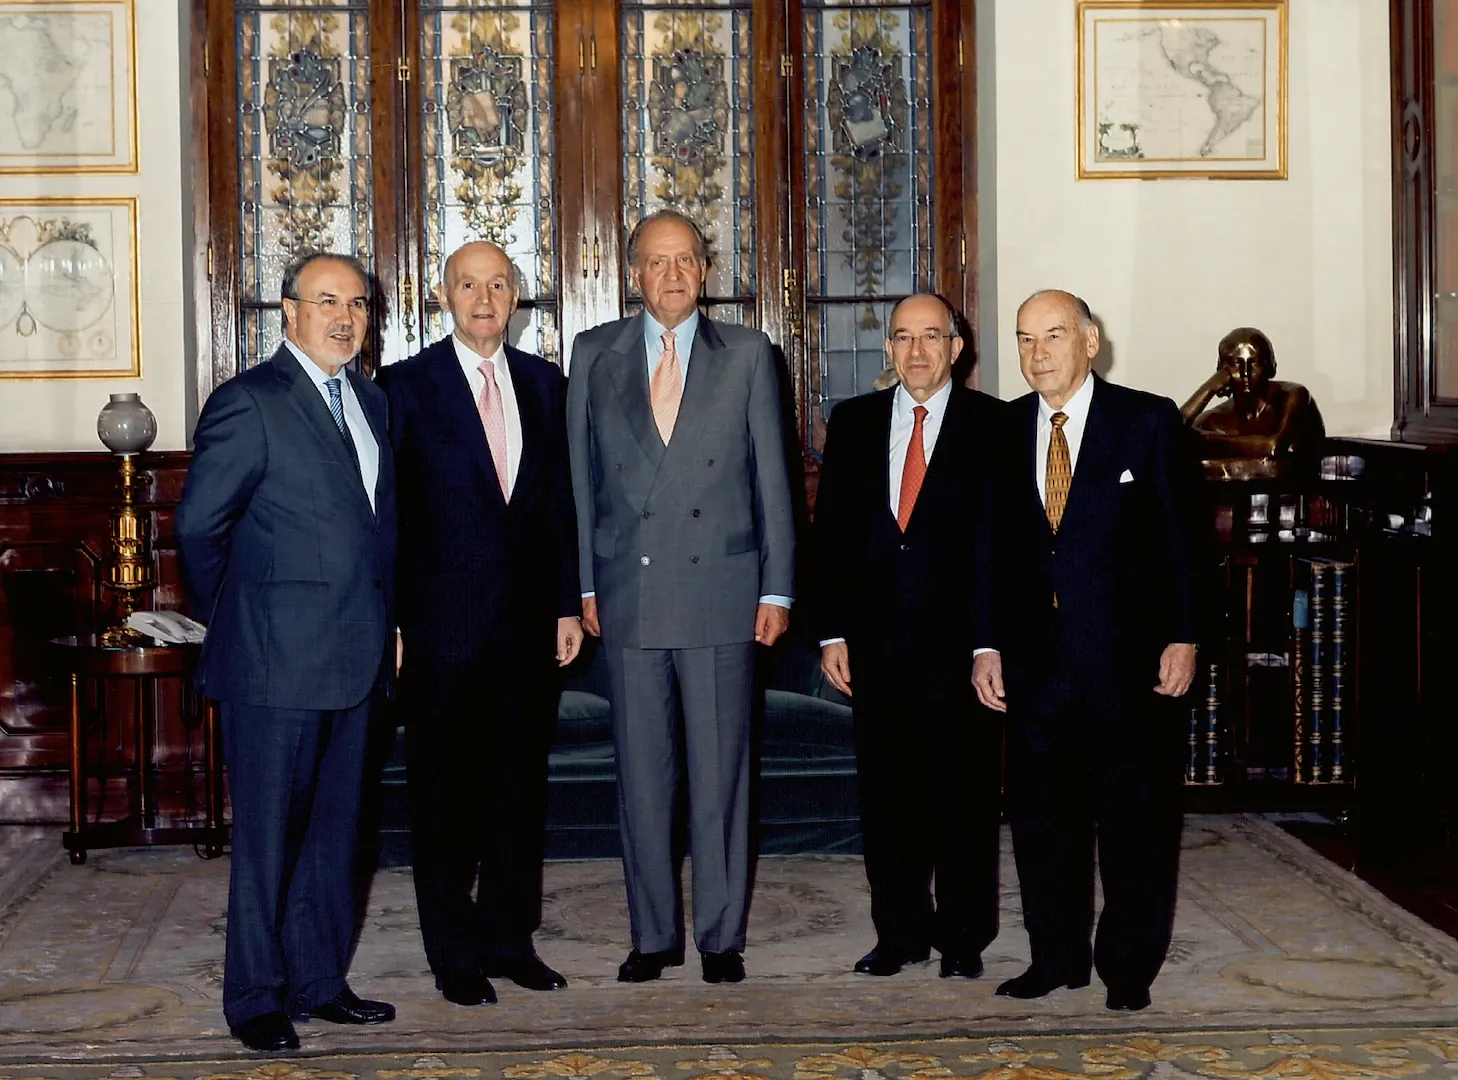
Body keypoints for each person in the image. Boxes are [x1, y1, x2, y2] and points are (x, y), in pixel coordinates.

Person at [566, 209, 795, 985]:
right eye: (656, 262)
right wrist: (586, 584)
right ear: (634, 274)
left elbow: (775, 482)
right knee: (642, 776)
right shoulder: (594, 354)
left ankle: (721, 937)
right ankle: (653, 934)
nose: (672, 275)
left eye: (686, 261)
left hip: (722, 593)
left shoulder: (750, 355)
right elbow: (580, 482)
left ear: (706, 270)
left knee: (722, 777)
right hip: (628, 592)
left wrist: (777, 587)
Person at [176, 252, 397, 1052]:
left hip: (359, 656)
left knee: (338, 836)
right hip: (272, 662)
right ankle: (256, 997)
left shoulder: (371, 402)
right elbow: (200, 529)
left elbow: (378, 533)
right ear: (289, 312)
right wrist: (236, 617)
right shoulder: (249, 403)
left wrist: (391, 625)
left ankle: (319, 981)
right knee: (268, 840)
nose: (345, 318)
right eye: (327, 302)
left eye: (359, 305)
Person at [972, 289, 1200, 1013]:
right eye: (1025, 339)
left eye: (1054, 335)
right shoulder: (1001, 430)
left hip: (1128, 662)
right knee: (1043, 820)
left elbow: (1186, 541)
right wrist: (985, 645)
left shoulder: (1148, 420)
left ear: (1090, 342)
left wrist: (1186, 635)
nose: (1038, 353)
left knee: (1134, 816)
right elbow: (986, 553)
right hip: (1035, 661)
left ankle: (1128, 967)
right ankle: (1056, 958)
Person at [378, 241, 582, 1007]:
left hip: (527, 629)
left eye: (499, 284)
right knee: (444, 798)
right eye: (469, 284)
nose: (485, 298)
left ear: (517, 297)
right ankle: (452, 952)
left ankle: (508, 939)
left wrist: (566, 601)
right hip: (439, 632)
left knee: (516, 793)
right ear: (443, 294)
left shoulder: (544, 384)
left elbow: (557, 505)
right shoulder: (403, 387)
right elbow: (388, 520)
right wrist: (393, 621)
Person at [814, 294, 1004, 979]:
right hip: (875, 646)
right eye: (903, 337)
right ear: (888, 349)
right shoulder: (855, 423)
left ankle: (962, 938)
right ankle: (897, 933)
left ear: (958, 348)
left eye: (931, 337)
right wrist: (831, 630)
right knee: (887, 797)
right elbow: (830, 535)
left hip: (963, 650)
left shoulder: (994, 426)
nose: (916, 351)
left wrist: (990, 642)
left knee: (962, 799)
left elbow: (998, 547)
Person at [1179, 326, 1326, 479]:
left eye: (1254, 362)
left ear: (1270, 366)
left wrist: (1207, 441)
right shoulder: (1213, 420)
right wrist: (1208, 388)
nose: (1245, 372)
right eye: (1236, 362)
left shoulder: (1292, 396)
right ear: (1221, 370)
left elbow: (1274, 446)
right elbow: (1170, 433)